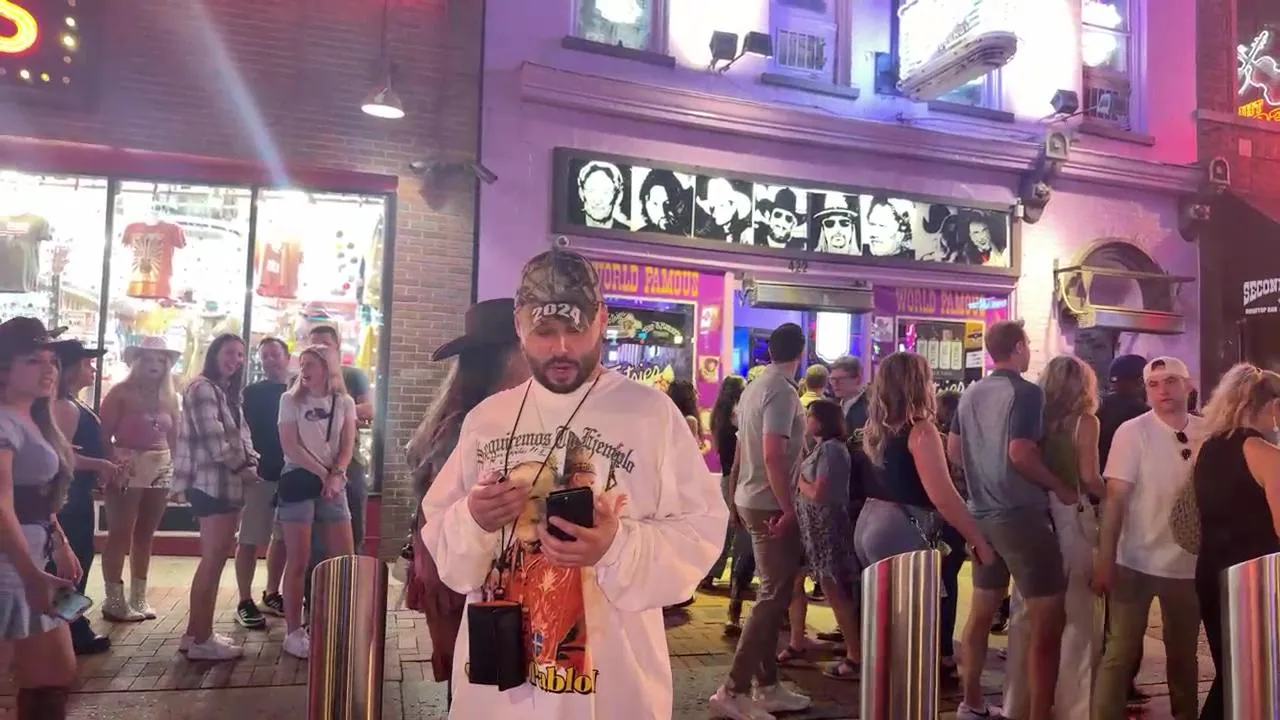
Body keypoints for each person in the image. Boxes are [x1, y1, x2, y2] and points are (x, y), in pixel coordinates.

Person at [421, 248, 725, 719]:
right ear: (519, 325)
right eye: (544, 331)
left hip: (612, 683)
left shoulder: (650, 415)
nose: (562, 347)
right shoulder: (487, 420)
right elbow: (444, 544)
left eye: (576, 329)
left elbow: (701, 534)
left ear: (601, 319)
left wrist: (615, 546)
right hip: (498, 690)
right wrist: (474, 518)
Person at [949, 320, 1076, 720]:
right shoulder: (1026, 392)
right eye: (1028, 344)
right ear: (1019, 346)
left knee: (981, 613)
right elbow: (1021, 452)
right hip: (1020, 516)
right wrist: (1059, 486)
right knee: (1047, 622)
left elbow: (953, 450)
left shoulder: (971, 393)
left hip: (981, 515)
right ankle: (1037, 713)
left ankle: (971, 702)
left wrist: (981, 470)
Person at [404, 297, 529, 699]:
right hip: (461, 584)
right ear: (508, 356)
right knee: (477, 680)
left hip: (456, 581)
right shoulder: (475, 425)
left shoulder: (462, 416)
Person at [858, 352, 994, 665]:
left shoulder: (877, 428)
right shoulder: (921, 431)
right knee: (913, 630)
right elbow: (943, 495)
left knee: (885, 625)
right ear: (920, 384)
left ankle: (884, 689)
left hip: (870, 521)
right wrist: (978, 540)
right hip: (903, 527)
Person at [709, 322, 814, 720]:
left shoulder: (754, 387)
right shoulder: (782, 392)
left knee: (772, 593)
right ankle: (733, 688)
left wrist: (735, 496)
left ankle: (767, 685)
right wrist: (788, 508)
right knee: (773, 596)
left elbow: (740, 452)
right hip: (770, 502)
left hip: (752, 498)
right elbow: (772, 453)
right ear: (801, 352)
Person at [1092, 356, 1205, 720]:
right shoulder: (1132, 432)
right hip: (1135, 561)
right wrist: (1105, 559)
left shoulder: (1208, 431)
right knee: (1120, 652)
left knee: (1183, 654)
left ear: (1188, 385)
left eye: (1170, 381)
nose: (1162, 391)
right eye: (1154, 385)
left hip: (1188, 564)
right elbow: (1115, 500)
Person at [1004, 355, 1107, 719]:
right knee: (1079, 617)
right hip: (1070, 515)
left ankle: (1019, 703)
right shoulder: (1085, 422)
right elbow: (1089, 477)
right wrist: (1114, 493)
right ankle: (1074, 708)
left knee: (1027, 616)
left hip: (1033, 516)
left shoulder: (1033, 419)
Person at [0, 318, 79, 719]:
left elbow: (38, 497)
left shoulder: (33, 417)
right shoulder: (4, 421)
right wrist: (31, 575)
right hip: (11, 569)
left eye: (52, 361)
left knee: (55, 674)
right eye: (33, 360)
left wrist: (60, 542)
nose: (48, 369)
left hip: (33, 561)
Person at [1192, 363, 1280, 720]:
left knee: (1231, 672)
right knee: (1255, 676)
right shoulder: (1266, 454)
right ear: (1272, 405)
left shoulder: (1208, 449)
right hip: (1258, 578)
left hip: (1212, 571)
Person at [172, 333, 260, 661]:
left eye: (240, 355)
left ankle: (195, 633)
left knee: (216, 558)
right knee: (213, 560)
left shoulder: (223, 392)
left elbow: (241, 437)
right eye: (229, 352)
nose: (234, 360)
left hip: (226, 484)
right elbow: (215, 440)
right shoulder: (203, 388)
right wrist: (244, 468)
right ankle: (201, 639)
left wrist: (250, 462)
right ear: (214, 353)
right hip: (213, 484)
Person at [275, 344, 357, 659]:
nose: (304, 370)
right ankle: (293, 631)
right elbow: (290, 445)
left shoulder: (344, 401)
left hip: (334, 481)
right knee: (299, 558)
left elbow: (347, 444)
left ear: (327, 367)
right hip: (299, 478)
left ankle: (339, 622)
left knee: (343, 558)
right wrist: (323, 473)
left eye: (311, 364)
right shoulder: (290, 400)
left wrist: (337, 474)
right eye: (303, 364)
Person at [97, 336, 180, 622]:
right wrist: (111, 464)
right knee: (120, 532)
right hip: (127, 463)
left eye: (161, 359)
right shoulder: (120, 392)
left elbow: (176, 437)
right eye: (148, 358)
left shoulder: (170, 395)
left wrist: (179, 472)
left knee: (146, 533)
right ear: (137, 362)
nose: (155, 364)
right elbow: (102, 434)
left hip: (161, 465)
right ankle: (113, 599)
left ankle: (139, 597)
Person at [48, 339, 115, 656]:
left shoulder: (71, 402)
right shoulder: (64, 406)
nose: (93, 369)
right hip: (69, 498)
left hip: (77, 494)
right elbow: (62, 456)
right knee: (71, 563)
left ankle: (69, 625)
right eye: (87, 363)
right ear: (71, 368)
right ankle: (69, 629)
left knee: (79, 559)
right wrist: (101, 464)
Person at [794, 399, 864, 680]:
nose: (807, 420)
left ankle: (855, 654)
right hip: (818, 527)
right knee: (831, 587)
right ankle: (853, 650)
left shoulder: (832, 450)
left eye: (810, 415)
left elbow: (820, 491)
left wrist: (798, 480)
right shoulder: (823, 448)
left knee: (836, 589)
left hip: (828, 527)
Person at [1097, 353, 1150, 706]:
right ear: (1139, 381)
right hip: (1134, 509)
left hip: (1097, 506)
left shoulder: (1097, 411)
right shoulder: (1142, 416)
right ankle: (1125, 680)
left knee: (1106, 602)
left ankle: (1103, 674)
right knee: (1130, 604)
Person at [235, 337, 291, 627]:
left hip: (291, 476)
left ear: (287, 357)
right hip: (260, 474)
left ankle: (271, 593)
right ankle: (244, 599)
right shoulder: (251, 393)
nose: (269, 360)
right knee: (249, 537)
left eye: (274, 354)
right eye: (264, 355)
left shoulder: (298, 389)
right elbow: (240, 432)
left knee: (282, 538)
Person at [703, 375, 754, 625]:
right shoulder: (736, 415)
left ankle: (711, 573)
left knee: (727, 529)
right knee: (732, 529)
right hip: (734, 476)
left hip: (726, 475)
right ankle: (717, 574)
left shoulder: (718, 415)